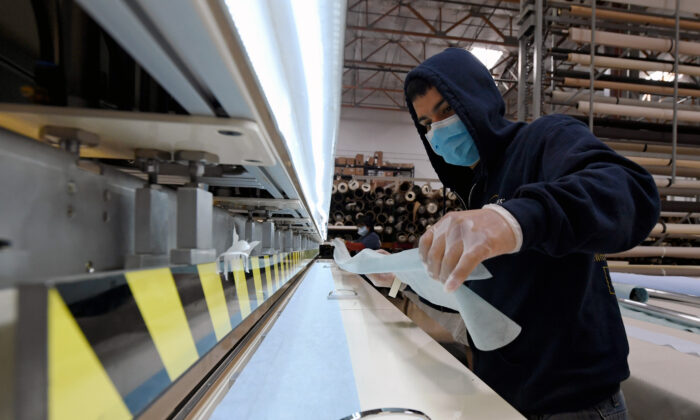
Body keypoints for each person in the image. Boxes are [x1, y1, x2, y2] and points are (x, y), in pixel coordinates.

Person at [393, 48, 660, 418]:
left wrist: (510, 220)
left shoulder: (546, 140)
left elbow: (629, 191)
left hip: (573, 404)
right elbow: (493, 295)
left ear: (477, 101)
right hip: (506, 399)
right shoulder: (476, 191)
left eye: (446, 110)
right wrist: (405, 276)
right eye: (426, 124)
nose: (436, 130)